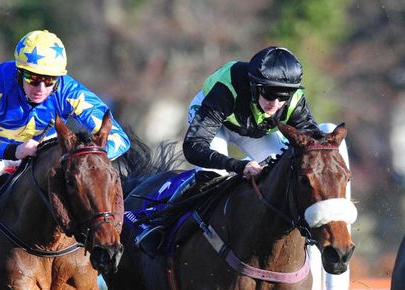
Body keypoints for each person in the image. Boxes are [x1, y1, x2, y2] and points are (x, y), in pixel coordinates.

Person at [134, 45, 327, 252]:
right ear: (255, 86)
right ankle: (159, 223)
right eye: (270, 94)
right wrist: (237, 165)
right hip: (217, 124)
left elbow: (316, 146)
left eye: (284, 96)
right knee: (213, 175)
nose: (276, 103)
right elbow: (193, 148)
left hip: (256, 131)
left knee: (284, 172)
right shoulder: (227, 89)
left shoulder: (293, 101)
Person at [0, 30, 129, 198]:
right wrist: (13, 150)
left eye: (49, 80)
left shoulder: (69, 91)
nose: (41, 89)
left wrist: (84, 157)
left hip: (44, 158)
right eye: (33, 78)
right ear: (19, 73)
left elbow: (119, 137)